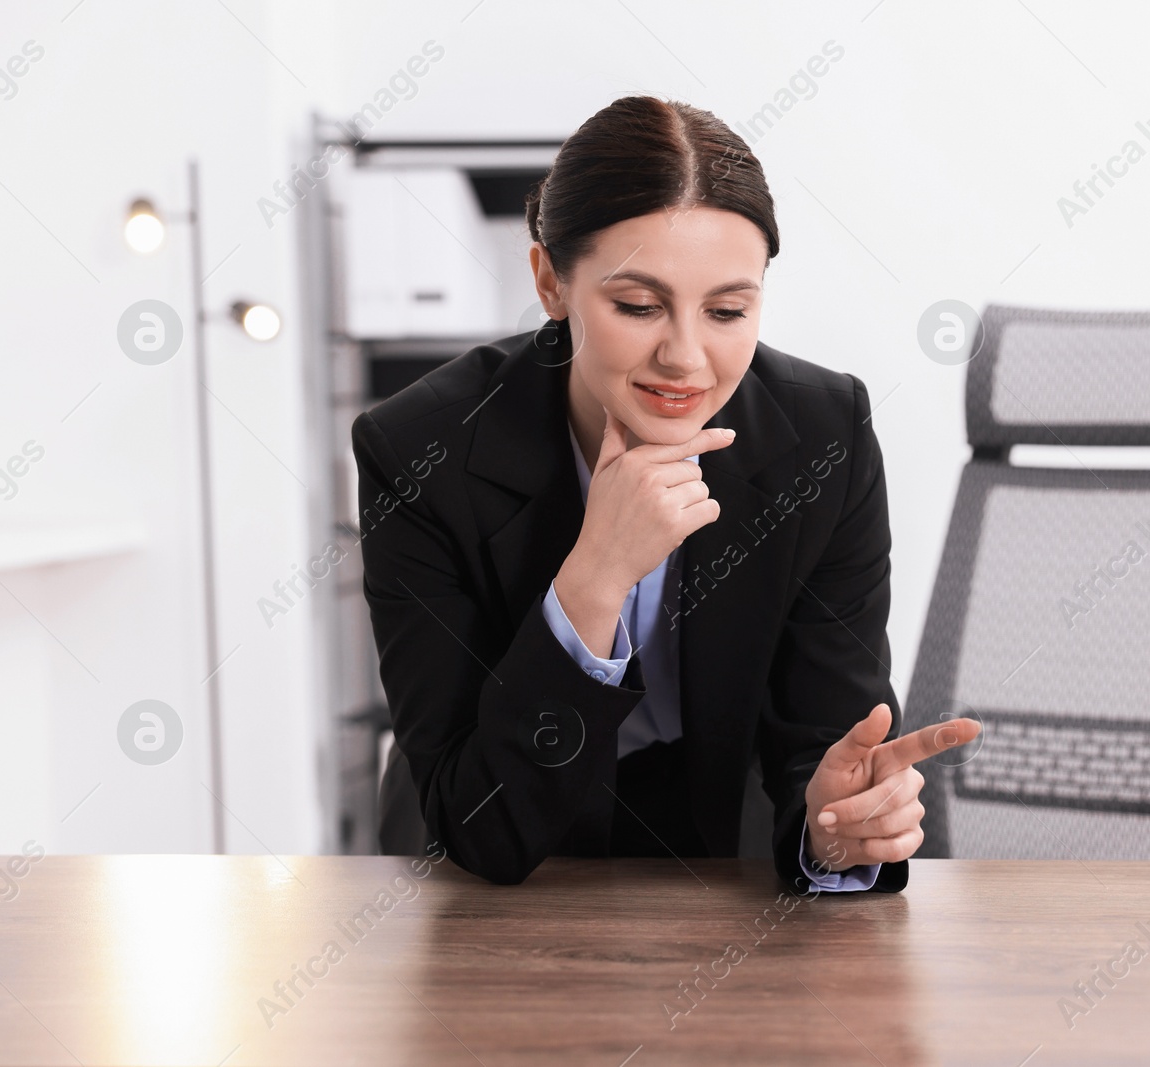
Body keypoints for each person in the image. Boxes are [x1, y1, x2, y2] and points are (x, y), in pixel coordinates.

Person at [352, 94, 978, 895]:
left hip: (718, 848)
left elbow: (824, 743)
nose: (686, 356)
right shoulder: (418, 449)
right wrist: (596, 576)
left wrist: (836, 829)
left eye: (727, 310)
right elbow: (483, 827)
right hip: (487, 856)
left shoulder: (825, 436)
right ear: (550, 282)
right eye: (638, 305)